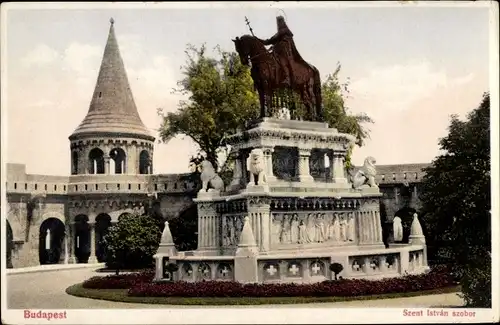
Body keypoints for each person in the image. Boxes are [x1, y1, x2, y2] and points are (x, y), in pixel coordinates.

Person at [260, 16, 306, 87]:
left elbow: (273, 39)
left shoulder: (285, 30)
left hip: (285, 52)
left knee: (282, 61)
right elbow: (268, 41)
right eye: (277, 22)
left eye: (279, 21)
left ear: (283, 22)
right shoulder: (278, 33)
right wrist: (258, 40)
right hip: (277, 51)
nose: (278, 24)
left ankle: (287, 78)